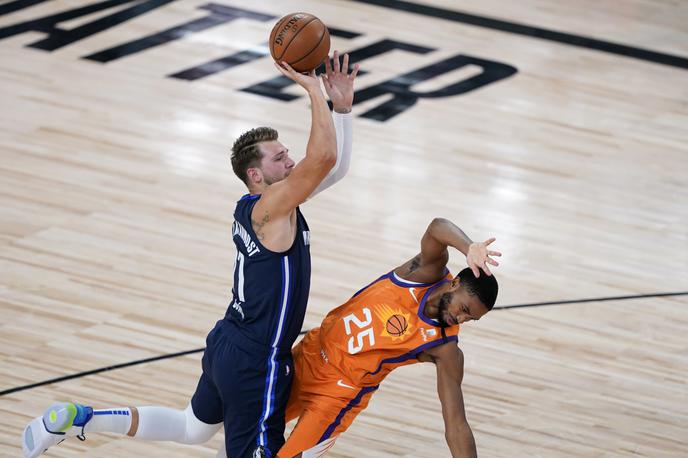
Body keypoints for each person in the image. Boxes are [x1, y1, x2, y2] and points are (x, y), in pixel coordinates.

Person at [21, 52, 360, 458]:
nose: (291, 161)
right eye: (280, 157)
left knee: (192, 428)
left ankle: (81, 417)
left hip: (228, 341)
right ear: (256, 175)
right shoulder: (272, 210)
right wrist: (313, 92)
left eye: (288, 154)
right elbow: (323, 159)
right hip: (257, 360)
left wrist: (341, 109)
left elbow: (331, 169)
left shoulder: (260, 206)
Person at [275, 217, 500, 458]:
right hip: (309, 355)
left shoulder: (445, 349)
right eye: (464, 310)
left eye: (470, 319)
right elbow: (437, 227)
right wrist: (469, 247)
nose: (461, 320)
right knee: (239, 416)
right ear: (454, 283)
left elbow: (456, 426)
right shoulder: (424, 272)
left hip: (337, 395)